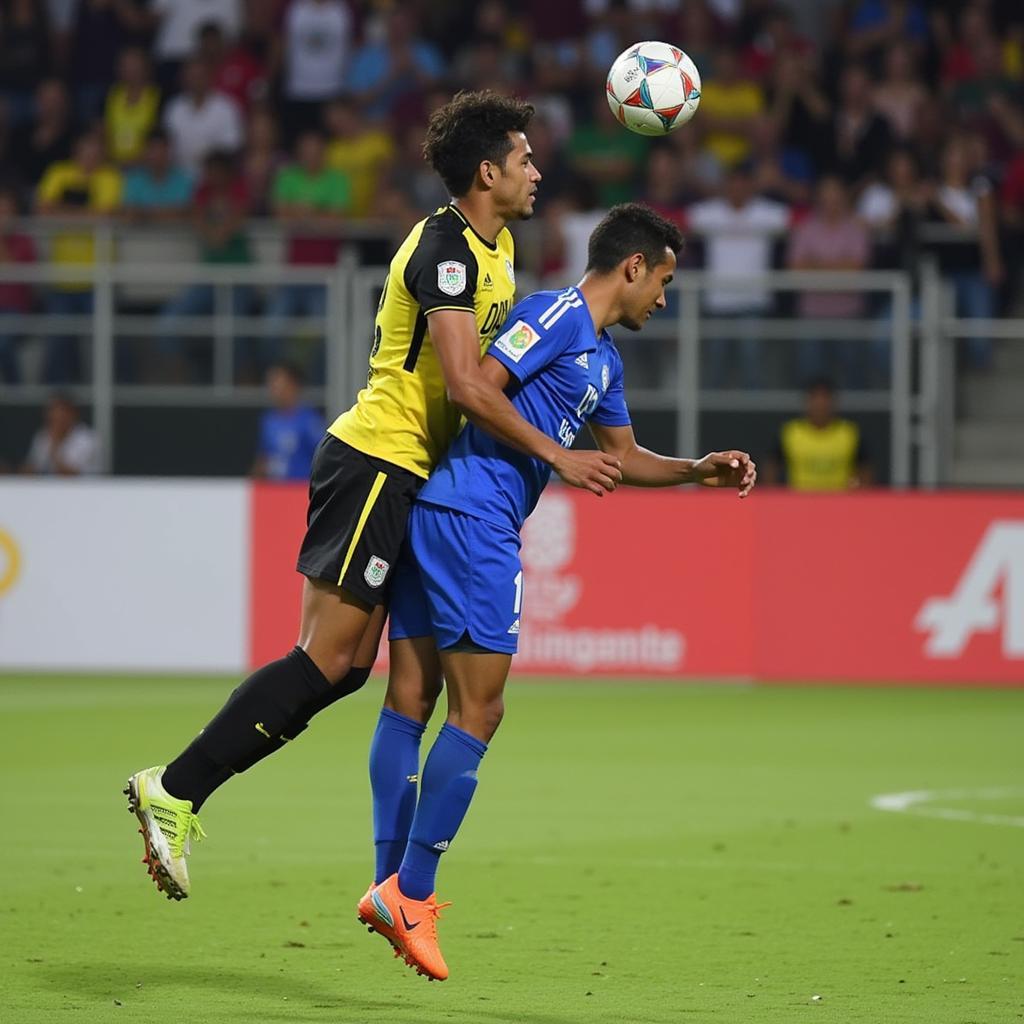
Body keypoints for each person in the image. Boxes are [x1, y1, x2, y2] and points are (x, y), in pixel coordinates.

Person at [124, 91, 620, 903]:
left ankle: (182, 791)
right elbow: (464, 383)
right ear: (488, 171)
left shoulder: (496, 256)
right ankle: (174, 790)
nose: (538, 171)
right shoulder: (447, 251)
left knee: (351, 668)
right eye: (525, 159)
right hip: (378, 459)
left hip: (407, 475)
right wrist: (554, 454)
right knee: (326, 657)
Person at [355, 204, 757, 981]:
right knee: (481, 710)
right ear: (632, 267)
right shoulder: (556, 314)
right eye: (664, 281)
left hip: (443, 513)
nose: (664, 300)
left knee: (412, 696)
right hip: (474, 517)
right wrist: (555, 458)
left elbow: (622, 455)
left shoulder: (603, 358)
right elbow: (481, 385)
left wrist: (694, 470)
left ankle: (387, 884)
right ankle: (412, 889)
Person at [35, 130, 123, 383]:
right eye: (86, 150)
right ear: (76, 151)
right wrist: (88, 214)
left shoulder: (110, 177)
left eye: (96, 151)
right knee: (58, 346)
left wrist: (62, 212)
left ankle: (111, 395)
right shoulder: (59, 172)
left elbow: (106, 216)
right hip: (62, 278)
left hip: (98, 280)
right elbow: (42, 211)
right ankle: (56, 401)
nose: (90, 156)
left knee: (105, 346)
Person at [763, 377, 871, 491]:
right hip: (799, 503)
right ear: (807, 401)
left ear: (834, 402)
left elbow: (865, 470)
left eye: (825, 398)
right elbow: (771, 467)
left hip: (840, 502)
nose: (820, 404)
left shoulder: (849, 433)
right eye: (815, 398)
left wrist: (858, 496)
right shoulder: (791, 432)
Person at [163, 58, 243, 177]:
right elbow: (166, 148)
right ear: (184, 78)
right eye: (192, 76)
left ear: (210, 76)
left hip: (215, 177)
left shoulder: (227, 107)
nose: (196, 81)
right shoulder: (174, 108)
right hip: (178, 177)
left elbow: (231, 148)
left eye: (200, 76)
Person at [251, 361, 325, 481]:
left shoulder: (309, 420)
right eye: (271, 383)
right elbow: (263, 457)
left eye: (278, 382)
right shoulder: (269, 420)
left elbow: (322, 456)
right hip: (275, 490)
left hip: (301, 489)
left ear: (293, 385)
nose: (273, 388)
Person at [0, 185, 36, 384]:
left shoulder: (24, 241)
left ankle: (16, 394)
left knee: (3, 344)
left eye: (6, 211)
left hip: (15, 310)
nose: (2, 217)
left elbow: (10, 270)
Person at [21, 393, 102, 476]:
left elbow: (71, 475)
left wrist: (54, 446)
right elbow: (31, 469)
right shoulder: (43, 435)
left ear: (73, 414)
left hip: (83, 488)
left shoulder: (87, 438)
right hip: (48, 487)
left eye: (61, 414)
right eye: (53, 414)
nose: (57, 419)